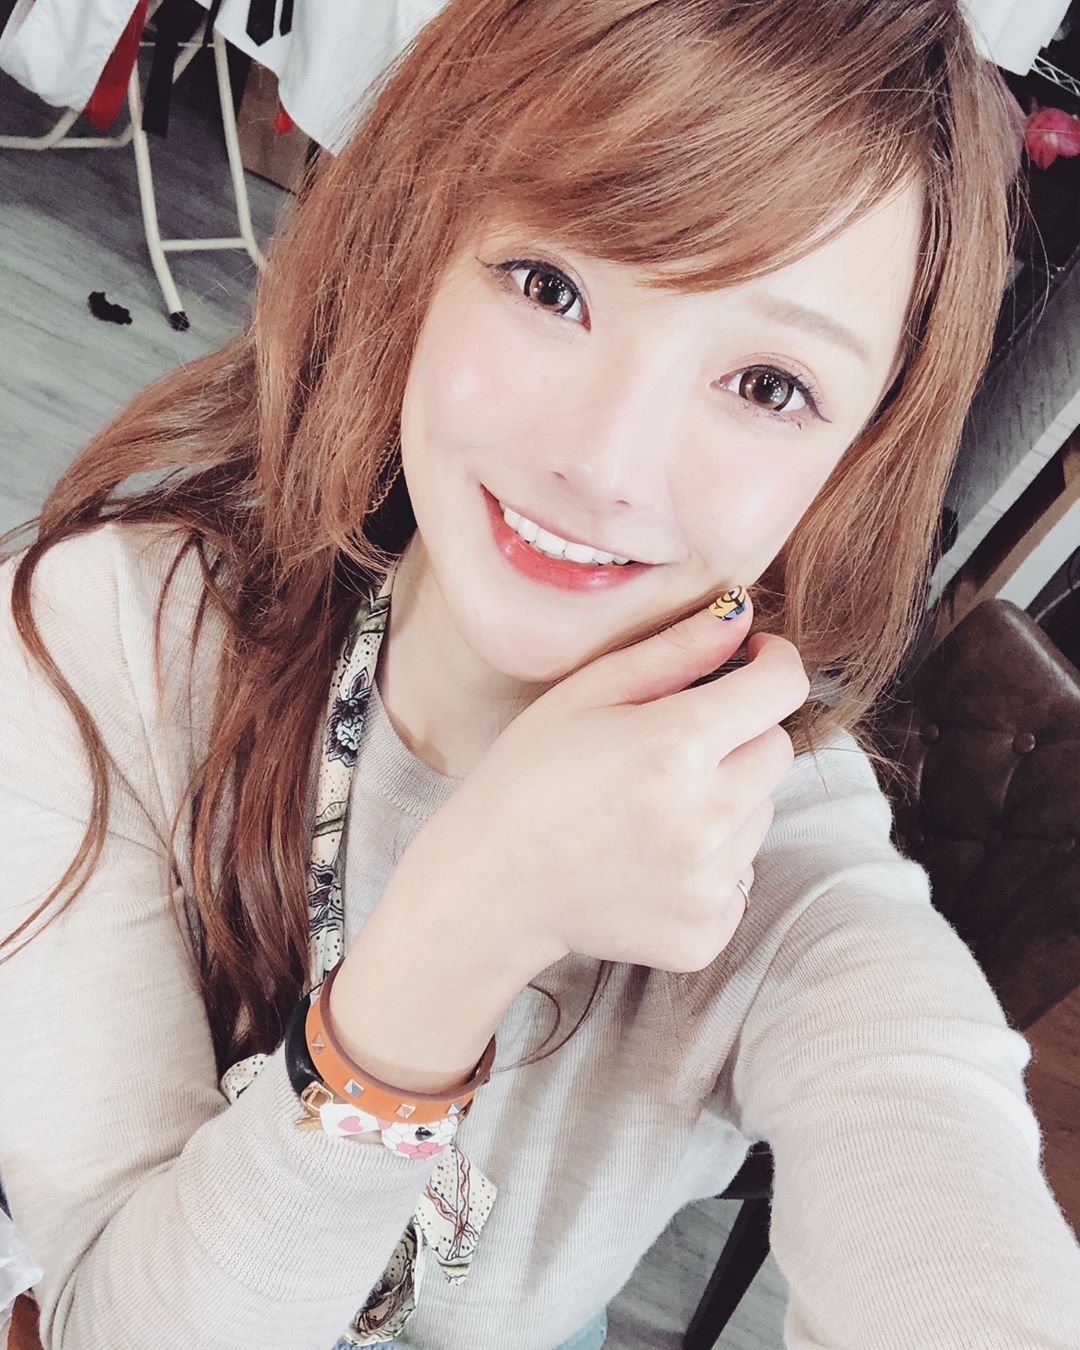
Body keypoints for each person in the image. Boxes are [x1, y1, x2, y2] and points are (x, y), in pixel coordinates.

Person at [2, 1, 1080, 1347]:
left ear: (852, 465)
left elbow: (928, 1132)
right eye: (550, 286)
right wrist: (467, 926)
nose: (606, 462)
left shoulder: (779, 853)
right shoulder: (107, 637)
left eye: (767, 383)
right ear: (419, 245)